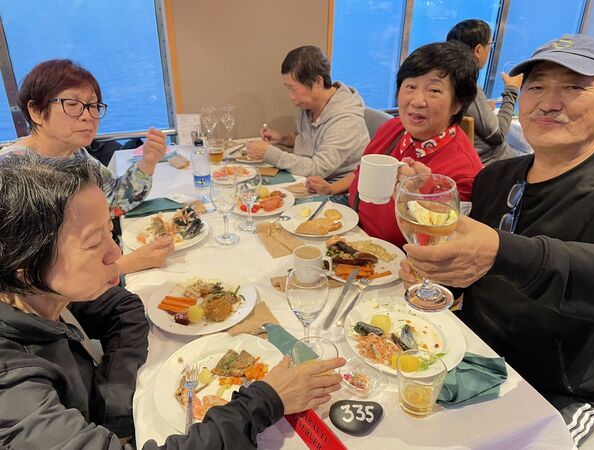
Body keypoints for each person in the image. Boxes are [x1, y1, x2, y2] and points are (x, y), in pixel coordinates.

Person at [0, 153, 345, 450]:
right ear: (24, 268)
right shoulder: (11, 388)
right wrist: (265, 401)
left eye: (110, 231)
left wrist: (114, 409)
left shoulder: (44, 298)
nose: (116, 252)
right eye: (93, 243)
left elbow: (123, 308)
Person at [398, 34, 594, 448]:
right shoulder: (496, 177)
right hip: (470, 354)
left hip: (556, 389)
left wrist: (499, 251)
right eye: (536, 86)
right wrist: (441, 272)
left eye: (574, 87)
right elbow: (474, 275)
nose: (549, 103)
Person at [0, 59, 173, 275]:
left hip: (99, 270)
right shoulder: (12, 174)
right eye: (72, 104)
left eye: (93, 105)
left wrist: (148, 161)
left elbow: (115, 201)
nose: (88, 116)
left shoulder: (77, 155)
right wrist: (129, 263)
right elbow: (27, 275)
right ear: (36, 111)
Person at [306, 41, 483, 247]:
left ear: (457, 104)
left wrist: (416, 195)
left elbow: (440, 246)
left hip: (390, 255)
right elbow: (361, 173)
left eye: (434, 90)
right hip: (350, 224)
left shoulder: (463, 171)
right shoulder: (393, 128)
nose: (417, 100)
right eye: (411, 87)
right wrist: (331, 188)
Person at [244, 45, 370, 181]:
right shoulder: (309, 106)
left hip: (334, 187)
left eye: (294, 89)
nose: (291, 96)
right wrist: (282, 138)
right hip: (306, 180)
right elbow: (309, 141)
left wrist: (269, 153)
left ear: (317, 82)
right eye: (288, 88)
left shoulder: (346, 120)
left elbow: (318, 169)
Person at [446, 19, 524, 164]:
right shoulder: (468, 87)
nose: (489, 50)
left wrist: (485, 110)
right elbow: (498, 135)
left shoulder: (446, 81)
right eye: (490, 45)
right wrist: (511, 91)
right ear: (478, 50)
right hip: (493, 162)